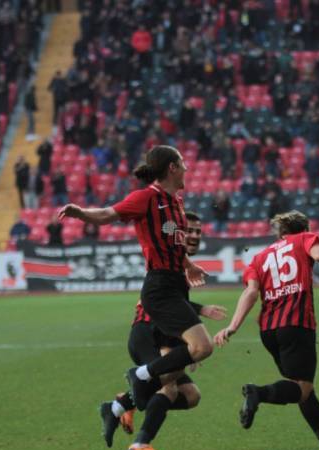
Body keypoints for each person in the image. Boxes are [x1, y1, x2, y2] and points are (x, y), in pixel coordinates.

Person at [57, 145, 213, 430]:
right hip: (160, 286)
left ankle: (119, 405)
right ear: (172, 168)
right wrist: (80, 213)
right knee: (199, 350)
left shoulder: (176, 202)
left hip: (176, 284)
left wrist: (188, 265)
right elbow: (107, 214)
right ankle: (139, 379)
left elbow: (174, 243)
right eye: (183, 164)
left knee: (180, 377)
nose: (188, 169)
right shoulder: (146, 198)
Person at [213, 211, 319, 450]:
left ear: (280, 232)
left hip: (269, 330)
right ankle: (258, 393)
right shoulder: (304, 239)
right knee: (302, 389)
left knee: (300, 388)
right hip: (296, 324)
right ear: (304, 229)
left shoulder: (259, 257)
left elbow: (251, 292)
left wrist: (232, 326)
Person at [99, 212, 228, 450]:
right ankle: (139, 444)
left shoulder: (180, 262)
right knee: (168, 388)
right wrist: (196, 326)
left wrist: (186, 347)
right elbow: (165, 305)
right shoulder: (171, 259)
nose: (194, 235)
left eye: (198, 231)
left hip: (162, 331)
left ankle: (119, 405)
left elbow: (175, 307)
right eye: (189, 230)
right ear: (177, 234)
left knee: (191, 395)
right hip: (148, 330)